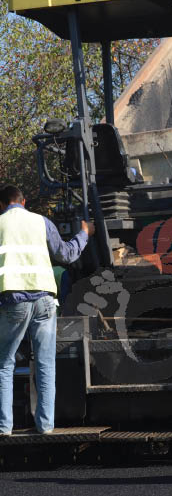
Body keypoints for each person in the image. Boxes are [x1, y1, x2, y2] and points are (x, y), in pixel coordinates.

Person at [0, 186, 95, 435]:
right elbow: (66, 254)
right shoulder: (41, 222)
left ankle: (4, 427)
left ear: (1, 205)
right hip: (45, 300)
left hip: (13, 301)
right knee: (45, 363)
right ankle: (45, 425)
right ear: (24, 200)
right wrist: (84, 234)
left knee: (4, 364)